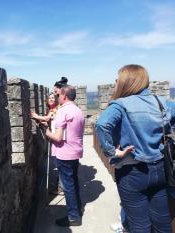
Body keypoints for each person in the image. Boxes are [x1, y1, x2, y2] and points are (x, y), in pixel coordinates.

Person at [96, 64, 175, 233]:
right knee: (162, 223)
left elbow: (102, 125)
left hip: (132, 171)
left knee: (139, 225)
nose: (116, 82)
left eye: (118, 79)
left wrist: (112, 152)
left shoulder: (120, 104)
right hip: (160, 169)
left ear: (127, 81)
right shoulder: (160, 101)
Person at [45, 85, 85, 227]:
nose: (57, 97)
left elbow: (58, 138)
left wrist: (46, 131)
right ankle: (77, 209)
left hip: (64, 154)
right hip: (75, 153)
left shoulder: (63, 111)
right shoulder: (78, 111)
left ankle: (73, 217)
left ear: (65, 96)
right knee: (73, 183)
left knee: (67, 186)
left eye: (59, 95)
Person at [31, 93, 60, 195]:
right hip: (53, 138)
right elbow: (49, 121)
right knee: (55, 162)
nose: (51, 99)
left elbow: (48, 118)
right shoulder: (51, 109)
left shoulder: (56, 109)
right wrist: (40, 121)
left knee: (57, 163)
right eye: (50, 98)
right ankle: (57, 186)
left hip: (56, 138)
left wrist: (36, 116)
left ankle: (60, 187)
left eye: (53, 98)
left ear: (56, 100)